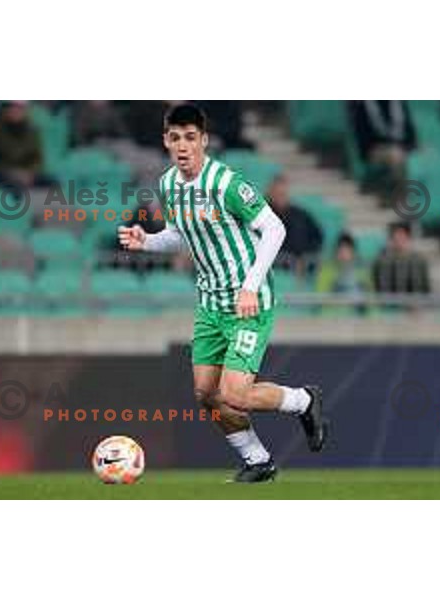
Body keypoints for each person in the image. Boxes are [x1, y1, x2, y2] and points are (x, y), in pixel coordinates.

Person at [118, 103, 327, 483]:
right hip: (210, 303)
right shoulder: (167, 185)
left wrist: (249, 287)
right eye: (176, 138)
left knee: (236, 394)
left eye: (191, 138)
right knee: (205, 393)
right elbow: (181, 235)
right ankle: (257, 460)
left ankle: (303, 400)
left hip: (249, 302)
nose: (183, 146)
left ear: (204, 140)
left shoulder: (226, 183)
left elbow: (274, 228)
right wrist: (147, 241)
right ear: (166, 140)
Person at [267, 173, 323, 273]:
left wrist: (305, 255)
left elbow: (317, 236)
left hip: (303, 259)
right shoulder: (265, 215)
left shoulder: (300, 214)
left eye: (283, 194)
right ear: (271, 193)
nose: (281, 197)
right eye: (278, 194)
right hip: (277, 260)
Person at [0, 101, 45, 188]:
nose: (16, 111)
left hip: (26, 174)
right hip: (1, 173)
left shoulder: (32, 130)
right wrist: (12, 173)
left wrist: (29, 173)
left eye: (20, 108)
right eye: (13, 107)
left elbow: (37, 158)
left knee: (53, 183)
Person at [316, 233, 370, 315]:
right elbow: (320, 299)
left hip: (357, 318)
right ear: (336, 252)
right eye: (340, 251)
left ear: (353, 252)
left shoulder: (362, 272)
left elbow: (370, 299)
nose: (343, 255)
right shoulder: (326, 271)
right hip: (332, 316)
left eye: (347, 251)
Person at [373, 222, 431, 295]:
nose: (399, 241)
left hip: (416, 303)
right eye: (396, 238)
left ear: (408, 238)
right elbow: (381, 288)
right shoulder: (383, 261)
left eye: (402, 237)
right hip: (392, 303)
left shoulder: (419, 261)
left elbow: (425, 288)